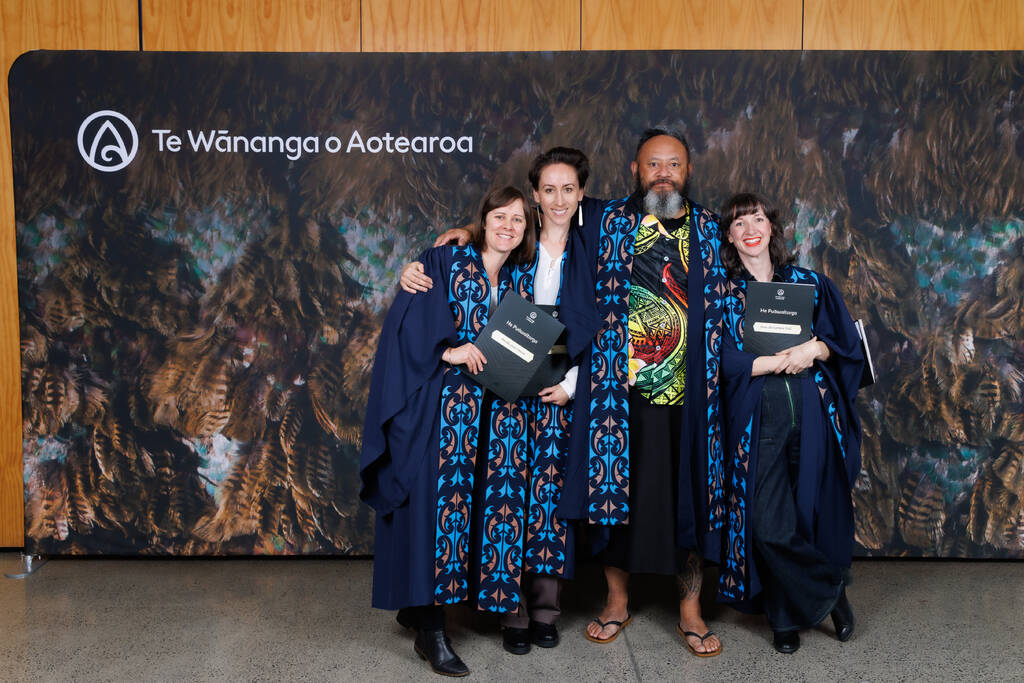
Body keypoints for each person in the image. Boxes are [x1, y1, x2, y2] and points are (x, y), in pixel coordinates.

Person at [408, 130, 729, 657]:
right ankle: (585, 605)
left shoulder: (709, 228)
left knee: (651, 498)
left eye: (673, 164)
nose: (664, 173)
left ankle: (668, 612)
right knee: (570, 497)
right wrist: (462, 233)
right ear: (635, 170)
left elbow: (748, 272)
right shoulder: (606, 219)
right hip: (595, 392)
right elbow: (503, 231)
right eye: (653, 164)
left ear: (688, 170)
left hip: (671, 391)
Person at [399, 147, 603, 656]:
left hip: (559, 384)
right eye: (548, 190)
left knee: (548, 498)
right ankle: (509, 610)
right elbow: (482, 249)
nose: (559, 199)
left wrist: (573, 383)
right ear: (536, 195)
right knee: (503, 494)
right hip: (501, 391)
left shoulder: (597, 243)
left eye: (569, 189)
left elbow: (608, 323)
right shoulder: (519, 249)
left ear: (582, 193)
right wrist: (439, 251)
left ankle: (545, 610)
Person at [360, 186, 537, 677]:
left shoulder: (520, 278)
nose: (507, 226)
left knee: (480, 512)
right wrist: (448, 352)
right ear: (483, 220)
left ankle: (424, 607)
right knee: (437, 514)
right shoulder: (445, 261)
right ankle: (431, 631)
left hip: (498, 418)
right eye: (499, 216)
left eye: (518, 220)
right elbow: (406, 321)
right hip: (444, 412)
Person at [715, 192, 863, 654]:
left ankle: (784, 619)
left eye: (757, 219)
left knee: (806, 510)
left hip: (813, 411)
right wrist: (774, 362)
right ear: (729, 237)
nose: (750, 230)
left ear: (772, 228)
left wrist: (812, 349)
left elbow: (845, 343)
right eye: (739, 224)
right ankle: (831, 591)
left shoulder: (809, 283)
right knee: (767, 522)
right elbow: (718, 359)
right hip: (757, 417)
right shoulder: (723, 294)